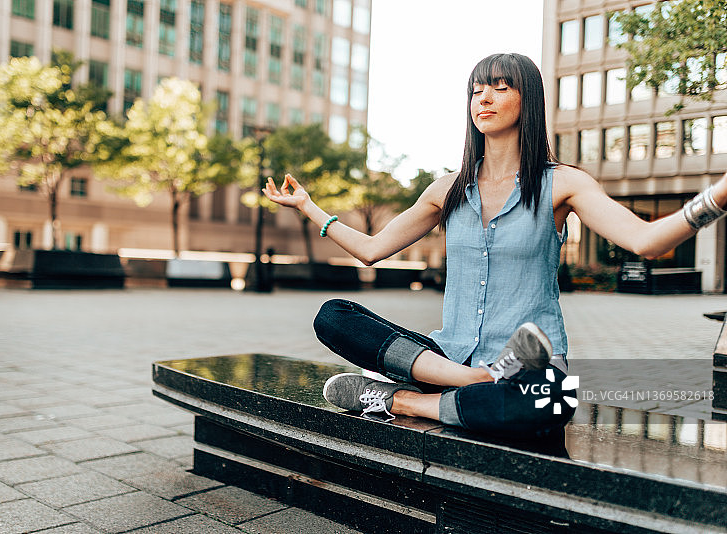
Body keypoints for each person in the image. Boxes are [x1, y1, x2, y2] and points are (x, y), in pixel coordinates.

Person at [262, 53, 727, 439]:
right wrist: (308, 207)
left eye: (501, 87)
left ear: (529, 101)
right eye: (477, 89)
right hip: (448, 358)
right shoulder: (446, 189)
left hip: (529, 365)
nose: (484, 98)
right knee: (334, 316)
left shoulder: (561, 184)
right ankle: (471, 383)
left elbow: (647, 241)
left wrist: (719, 196)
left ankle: (401, 399)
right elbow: (371, 249)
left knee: (550, 403)